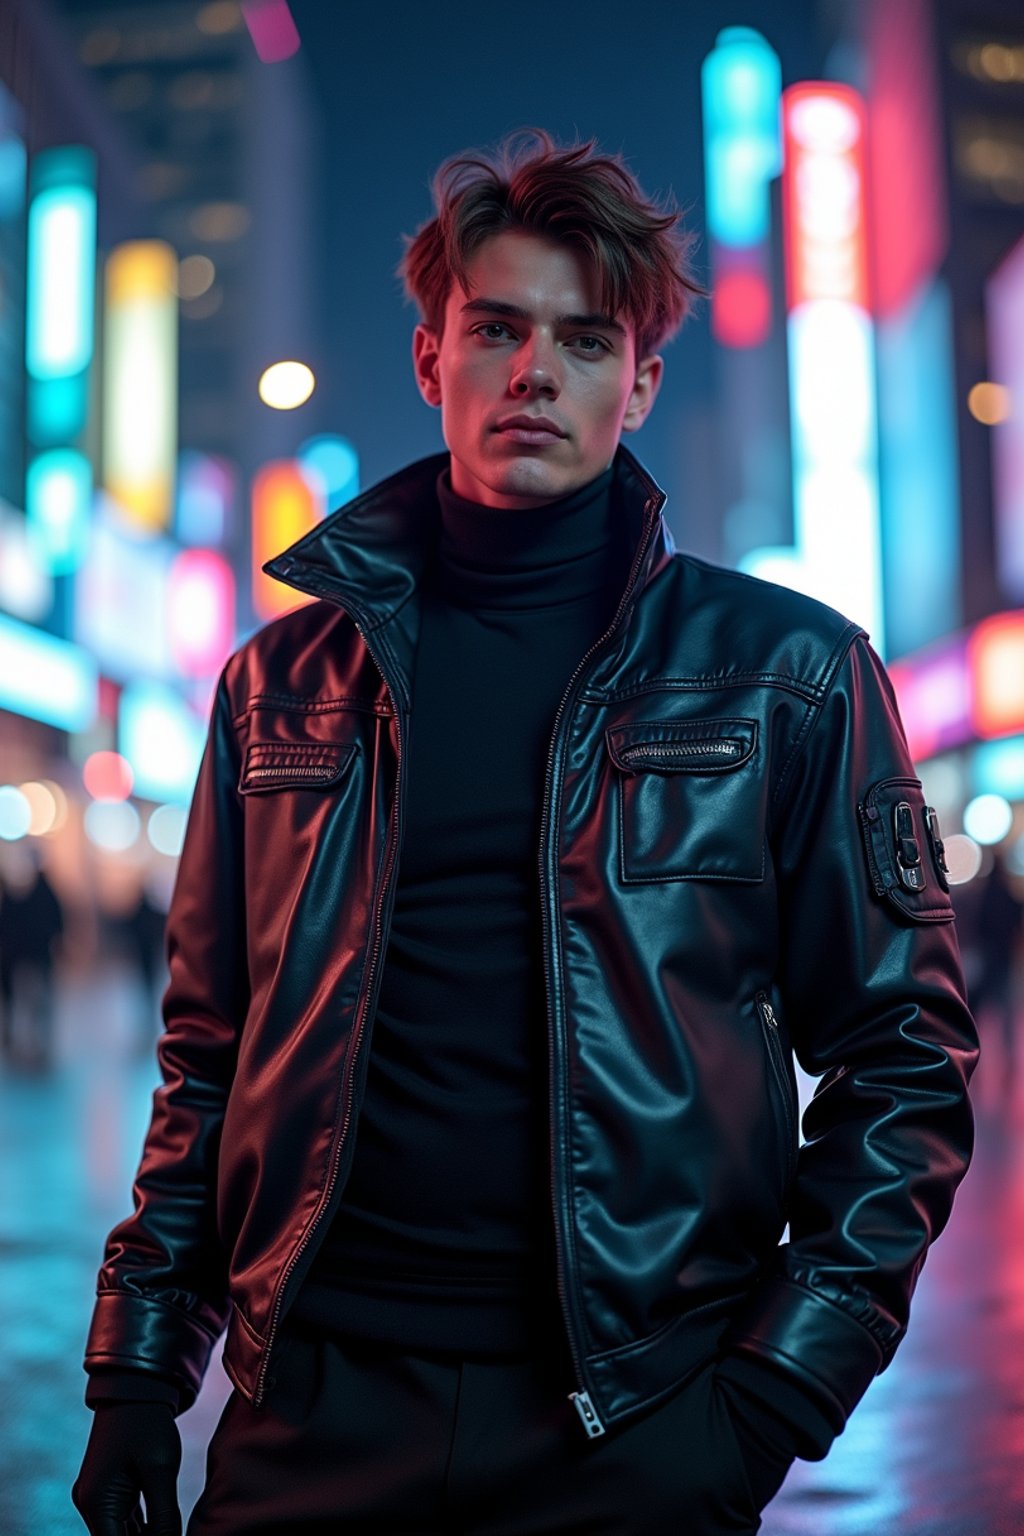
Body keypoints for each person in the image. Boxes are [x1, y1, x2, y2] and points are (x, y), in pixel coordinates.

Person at [73, 130, 978, 1536]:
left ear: (641, 382)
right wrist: (140, 1367)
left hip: (631, 1417)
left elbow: (904, 1063)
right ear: (433, 358)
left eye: (584, 339)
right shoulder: (282, 683)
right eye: (495, 327)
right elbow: (209, 1051)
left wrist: (767, 1405)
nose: (535, 371)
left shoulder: (792, 673)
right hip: (310, 1407)